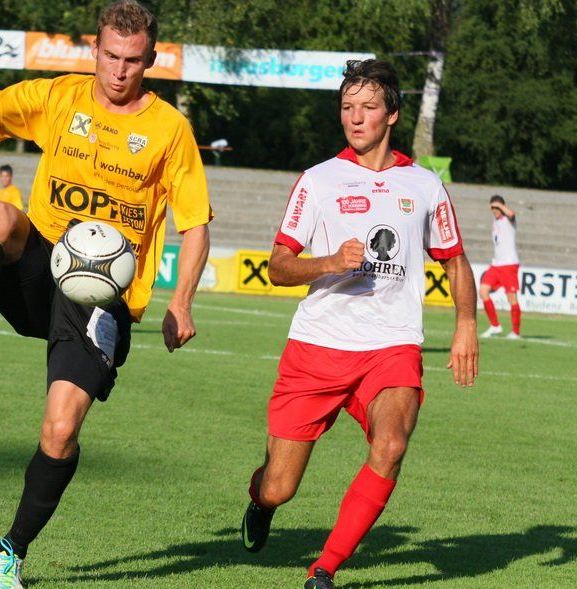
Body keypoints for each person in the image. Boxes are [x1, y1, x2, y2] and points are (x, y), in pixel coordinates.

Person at [0, 2, 212, 587]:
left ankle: (12, 550)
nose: (119, 71)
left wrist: (182, 299)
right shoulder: (60, 96)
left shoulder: (171, 130)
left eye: (133, 61)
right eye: (110, 56)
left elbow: (195, 225)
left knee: (60, 433)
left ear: (152, 60)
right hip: (41, 265)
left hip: (100, 299)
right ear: (95, 51)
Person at [239, 59, 478, 589]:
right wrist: (327, 262)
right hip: (317, 348)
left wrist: (465, 324)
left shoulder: (425, 184)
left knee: (391, 445)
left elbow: (455, 260)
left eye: (368, 107)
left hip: (391, 346)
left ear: (391, 114)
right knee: (279, 487)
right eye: (347, 107)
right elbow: (278, 266)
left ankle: (324, 569)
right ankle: (260, 502)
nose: (355, 117)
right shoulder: (318, 180)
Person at [479, 195, 521, 338]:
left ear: (502, 207)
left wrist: (500, 205)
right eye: (492, 207)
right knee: (483, 290)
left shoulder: (509, 220)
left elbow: (512, 214)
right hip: (496, 264)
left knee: (512, 298)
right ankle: (495, 326)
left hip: (509, 265)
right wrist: (495, 206)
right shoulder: (495, 221)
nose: (494, 210)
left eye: (497, 207)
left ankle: (515, 332)